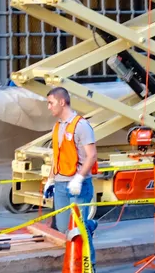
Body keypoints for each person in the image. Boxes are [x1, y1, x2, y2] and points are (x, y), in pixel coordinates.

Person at [42, 87, 97, 265]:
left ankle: (90, 266)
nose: (48, 107)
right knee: (65, 228)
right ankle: (91, 224)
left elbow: (92, 156)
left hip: (78, 186)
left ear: (61, 102)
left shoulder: (81, 125)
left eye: (50, 103)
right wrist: (51, 179)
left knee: (80, 231)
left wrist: (79, 178)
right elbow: (56, 155)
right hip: (60, 185)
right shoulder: (57, 127)